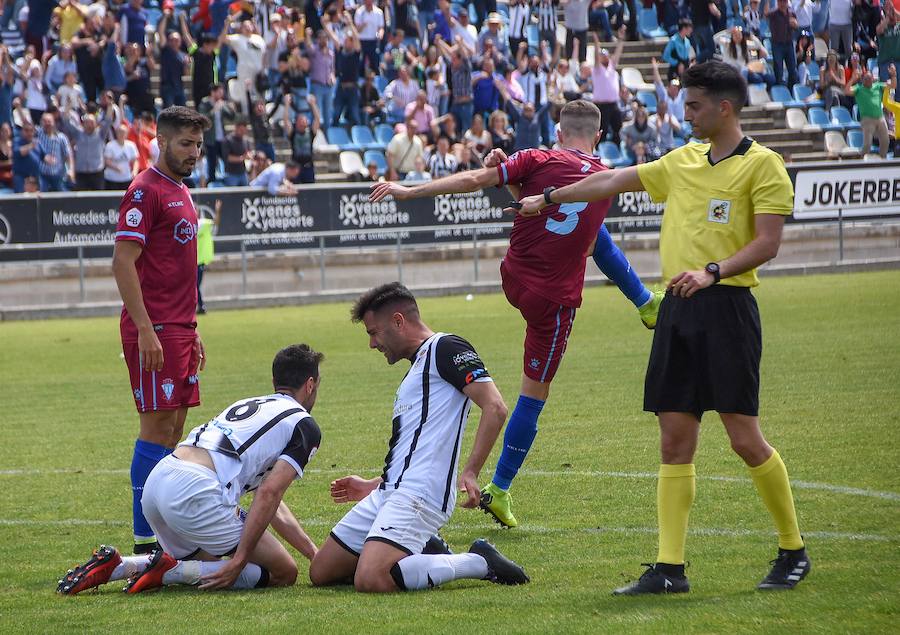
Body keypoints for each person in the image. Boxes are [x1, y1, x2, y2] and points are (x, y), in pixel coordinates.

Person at [513, 61, 811, 594]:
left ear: (724, 107)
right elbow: (609, 179)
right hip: (677, 311)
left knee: (744, 438)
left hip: (728, 310)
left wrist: (713, 271)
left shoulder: (763, 166)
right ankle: (670, 569)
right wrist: (549, 198)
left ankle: (793, 549)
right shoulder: (683, 160)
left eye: (694, 105)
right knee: (674, 441)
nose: (685, 113)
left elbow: (768, 242)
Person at [369, 100, 662, 528]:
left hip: (514, 277)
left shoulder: (538, 157)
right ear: (598, 138)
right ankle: (500, 488)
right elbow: (564, 212)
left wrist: (411, 191)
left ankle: (644, 302)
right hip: (553, 303)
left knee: (591, 232)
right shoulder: (607, 178)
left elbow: (475, 179)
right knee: (533, 395)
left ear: (559, 134)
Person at [308, 283, 529, 592]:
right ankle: (423, 551)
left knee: (371, 579)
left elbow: (495, 407)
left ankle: (479, 562)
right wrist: (374, 484)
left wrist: (471, 471)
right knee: (322, 571)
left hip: (421, 494)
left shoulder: (446, 347)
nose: (372, 344)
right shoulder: (417, 369)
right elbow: (415, 447)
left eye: (374, 332)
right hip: (392, 491)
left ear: (399, 321)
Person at [57, 343, 323, 595]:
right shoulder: (304, 424)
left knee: (210, 561)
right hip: (194, 492)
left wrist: (314, 555)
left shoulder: (257, 404)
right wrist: (240, 558)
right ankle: (169, 572)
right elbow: (269, 494)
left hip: (159, 481)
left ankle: (121, 565)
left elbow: (270, 500)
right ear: (310, 385)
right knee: (283, 572)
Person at [111, 106, 211, 555]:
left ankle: (169, 539)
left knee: (174, 433)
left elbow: (175, 268)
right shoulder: (144, 191)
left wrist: (191, 329)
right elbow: (123, 262)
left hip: (180, 329)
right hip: (155, 330)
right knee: (155, 430)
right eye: (185, 143)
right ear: (162, 142)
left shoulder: (182, 191)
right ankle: (143, 541)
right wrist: (146, 330)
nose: (193, 152)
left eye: (198, 144)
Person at [845, 69, 892, 158]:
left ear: (873, 79)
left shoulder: (878, 86)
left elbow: (893, 85)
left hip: (880, 118)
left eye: (870, 78)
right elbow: (846, 91)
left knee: (885, 141)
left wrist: (893, 75)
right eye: (866, 79)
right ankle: (862, 161)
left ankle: (882, 159)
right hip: (867, 119)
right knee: (867, 144)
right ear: (862, 80)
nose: (868, 80)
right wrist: (853, 79)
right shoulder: (858, 89)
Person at [196, 199, 221, 315]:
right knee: (194, 286)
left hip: (199, 261)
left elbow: (216, 222)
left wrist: (217, 210)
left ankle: (201, 306)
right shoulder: (187, 224)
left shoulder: (203, 223)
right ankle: (200, 306)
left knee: (195, 286)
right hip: (189, 261)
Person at [104, 123, 139, 189]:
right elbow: (106, 161)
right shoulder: (110, 145)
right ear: (116, 133)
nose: (121, 134)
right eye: (119, 132)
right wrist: (115, 167)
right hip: (111, 179)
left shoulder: (131, 145)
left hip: (127, 178)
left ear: (127, 134)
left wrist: (134, 171)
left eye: (123, 132)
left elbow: (135, 161)